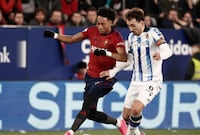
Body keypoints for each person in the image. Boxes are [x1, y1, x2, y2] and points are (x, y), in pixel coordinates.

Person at [43, 7, 128, 135]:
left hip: (105, 78)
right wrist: (55, 35)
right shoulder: (92, 30)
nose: (99, 26)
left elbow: (123, 57)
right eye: (97, 23)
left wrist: (107, 53)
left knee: (87, 101)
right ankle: (119, 123)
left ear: (112, 22)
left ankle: (71, 131)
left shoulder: (116, 38)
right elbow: (72, 39)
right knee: (91, 113)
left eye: (102, 24)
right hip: (90, 77)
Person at [100, 7, 172, 135]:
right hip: (135, 81)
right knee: (126, 116)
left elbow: (168, 50)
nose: (131, 29)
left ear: (142, 23)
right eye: (128, 26)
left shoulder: (153, 33)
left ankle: (131, 133)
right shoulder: (131, 37)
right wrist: (113, 72)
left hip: (152, 80)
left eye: (133, 25)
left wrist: (161, 54)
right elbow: (129, 60)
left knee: (136, 109)